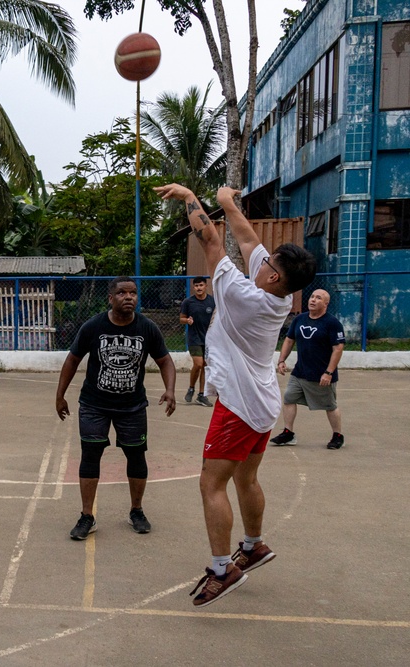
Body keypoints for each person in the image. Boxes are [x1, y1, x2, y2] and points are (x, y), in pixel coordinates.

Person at [155, 183, 316, 608]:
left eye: (268, 264)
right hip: (262, 402)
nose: (259, 263)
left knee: (211, 483)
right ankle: (255, 544)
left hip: (239, 406)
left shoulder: (244, 297)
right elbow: (247, 238)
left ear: (274, 276)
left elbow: (211, 238)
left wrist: (192, 195)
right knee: (247, 478)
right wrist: (228, 203)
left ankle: (222, 568)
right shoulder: (276, 293)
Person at [55, 277, 177, 540]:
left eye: (133, 292)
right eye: (122, 292)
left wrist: (170, 389)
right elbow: (72, 359)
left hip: (132, 407)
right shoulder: (93, 326)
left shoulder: (147, 328)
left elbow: (165, 360)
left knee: (136, 457)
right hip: (93, 405)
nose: (128, 297)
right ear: (110, 298)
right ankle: (87, 515)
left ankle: (136, 510)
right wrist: (60, 395)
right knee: (90, 456)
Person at [271, 289, 346, 449]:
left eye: (318, 298)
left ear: (326, 304)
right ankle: (288, 433)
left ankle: (337, 435)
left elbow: (338, 349)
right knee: (289, 398)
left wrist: (328, 372)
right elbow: (289, 340)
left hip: (321, 374)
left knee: (330, 405)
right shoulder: (300, 319)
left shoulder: (332, 323)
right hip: (300, 372)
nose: (313, 300)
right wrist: (281, 360)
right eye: (312, 297)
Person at [179, 276, 215, 406]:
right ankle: (191, 388)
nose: (199, 288)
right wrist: (187, 320)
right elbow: (181, 319)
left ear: (206, 286)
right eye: (196, 286)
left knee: (205, 365)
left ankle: (201, 395)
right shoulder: (188, 302)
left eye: (201, 285)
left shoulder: (212, 302)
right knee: (198, 364)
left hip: (209, 339)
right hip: (194, 338)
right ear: (193, 287)